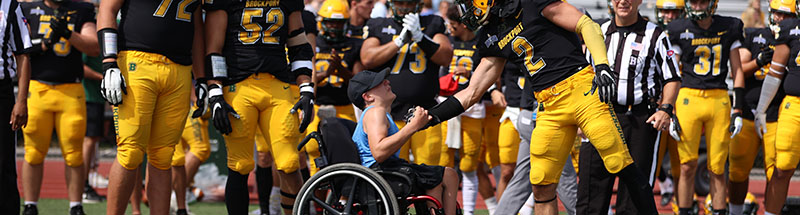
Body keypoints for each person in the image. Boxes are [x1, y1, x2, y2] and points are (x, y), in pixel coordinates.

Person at [435, 0, 660, 214]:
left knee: (618, 162)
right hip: (547, 105)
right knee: (541, 183)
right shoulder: (491, 34)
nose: (468, 7)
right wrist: (432, 116)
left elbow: (586, 24)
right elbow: (471, 92)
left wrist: (601, 64)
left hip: (580, 89)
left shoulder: (531, 3)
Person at [203, 0, 316, 212]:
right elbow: (213, 48)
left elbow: (299, 43)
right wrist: (215, 93)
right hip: (238, 86)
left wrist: (306, 88)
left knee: (289, 163)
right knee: (240, 165)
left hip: (278, 86)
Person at [96, 0, 206, 213]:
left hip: (180, 70)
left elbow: (196, 28)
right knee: (130, 152)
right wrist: (109, 61)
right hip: (138, 61)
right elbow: (107, 8)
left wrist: (201, 78)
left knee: (163, 156)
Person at [576, 0, 681, 214]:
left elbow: (672, 77)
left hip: (639, 118)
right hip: (601, 116)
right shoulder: (599, 31)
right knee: (591, 191)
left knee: (634, 196)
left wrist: (666, 108)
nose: (623, 1)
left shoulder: (655, 35)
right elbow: (584, 78)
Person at [666, 0, 746, 214]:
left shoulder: (729, 26)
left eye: (703, 2)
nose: (698, 6)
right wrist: (670, 109)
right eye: (694, 1)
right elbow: (671, 74)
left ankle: (719, 211)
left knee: (718, 168)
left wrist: (738, 109)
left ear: (713, 3)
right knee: (686, 166)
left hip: (718, 98)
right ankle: (684, 210)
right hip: (688, 98)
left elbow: (737, 71)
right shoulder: (677, 29)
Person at [19, 0, 97, 214]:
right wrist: (43, 44)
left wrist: (68, 34)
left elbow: (94, 47)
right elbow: (17, 47)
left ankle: (75, 206)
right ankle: (30, 206)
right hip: (38, 86)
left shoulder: (82, 10)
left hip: (70, 89)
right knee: (33, 152)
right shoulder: (28, 9)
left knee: (74, 153)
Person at [347, 68, 459, 215]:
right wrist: (413, 127)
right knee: (442, 176)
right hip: (379, 173)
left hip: (384, 171)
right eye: (379, 83)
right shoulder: (375, 112)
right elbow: (379, 152)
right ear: (367, 96)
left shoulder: (380, 114)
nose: (387, 82)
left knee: (446, 175)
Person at [360, 0, 453, 166]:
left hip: (425, 113)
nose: (404, 7)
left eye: (409, 3)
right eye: (399, 2)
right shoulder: (378, 24)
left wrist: (420, 38)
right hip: (388, 115)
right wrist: (398, 42)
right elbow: (367, 58)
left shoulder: (432, 23)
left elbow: (446, 57)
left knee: (429, 172)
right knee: (392, 173)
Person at [726, 1, 790, 214]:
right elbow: (739, 70)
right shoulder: (754, 35)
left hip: (777, 114)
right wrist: (759, 61)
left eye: (785, 14)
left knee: (775, 172)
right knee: (737, 171)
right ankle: (735, 210)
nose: (780, 18)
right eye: (778, 13)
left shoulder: (793, 40)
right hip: (747, 110)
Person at [436, 5, 498, 214]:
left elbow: (492, 74)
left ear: (463, 24)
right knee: (443, 160)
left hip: (473, 106)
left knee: (470, 163)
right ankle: (444, 208)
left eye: (453, 25)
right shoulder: (447, 40)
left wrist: (470, 72)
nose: (450, 29)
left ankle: (469, 211)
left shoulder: (482, 41)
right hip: (447, 102)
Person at [757, 3, 800, 215]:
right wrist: (761, 109)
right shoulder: (792, 27)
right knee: (782, 168)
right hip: (795, 105)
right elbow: (775, 72)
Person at [0, 0, 31, 214]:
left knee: (3, 165)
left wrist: (21, 101)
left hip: (1, 91)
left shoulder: (9, 4)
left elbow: (23, 54)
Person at [170, 105, 211, 215]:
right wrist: (195, 102)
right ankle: (174, 195)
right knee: (200, 148)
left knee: (177, 154)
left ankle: (169, 197)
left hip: (173, 107)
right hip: (186, 106)